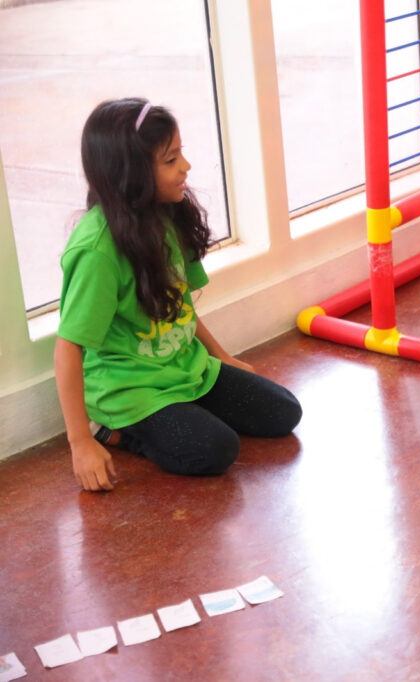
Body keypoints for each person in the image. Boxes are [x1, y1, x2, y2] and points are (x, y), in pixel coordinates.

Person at [54, 98, 302, 492]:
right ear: (131, 175)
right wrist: (79, 441)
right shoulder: (96, 251)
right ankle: (112, 432)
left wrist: (223, 358)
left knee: (284, 412)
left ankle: (183, 411)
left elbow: (178, 304)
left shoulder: (168, 214)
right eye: (170, 160)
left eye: (180, 154)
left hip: (187, 368)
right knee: (215, 450)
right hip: (131, 391)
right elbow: (68, 346)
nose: (185, 167)